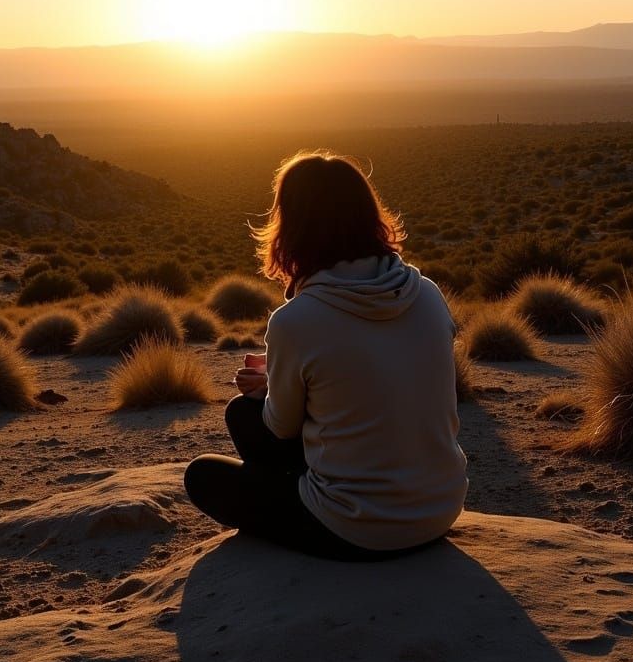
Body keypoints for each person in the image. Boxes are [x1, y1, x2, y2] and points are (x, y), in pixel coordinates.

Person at [184, 150, 468, 561]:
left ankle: (308, 502)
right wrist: (279, 379)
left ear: (292, 227)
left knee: (204, 475)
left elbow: (280, 427)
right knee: (240, 414)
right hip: (440, 510)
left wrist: (274, 388)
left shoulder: (296, 321)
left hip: (356, 530)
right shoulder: (428, 294)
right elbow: (379, 375)